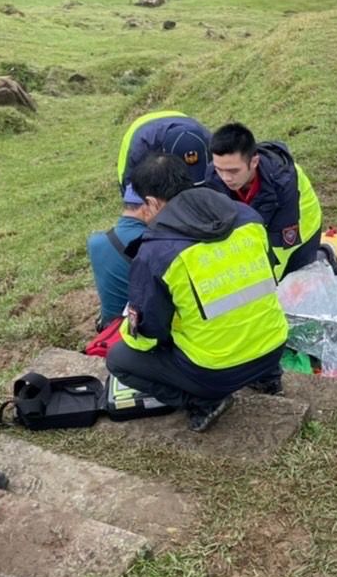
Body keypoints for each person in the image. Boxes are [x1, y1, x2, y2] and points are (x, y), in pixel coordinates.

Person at [107, 154, 289, 432]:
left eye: (142, 206)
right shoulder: (247, 217)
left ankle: (202, 403)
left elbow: (146, 334)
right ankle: (268, 379)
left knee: (119, 360)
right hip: (274, 347)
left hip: (215, 371)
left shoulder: (157, 253)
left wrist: (127, 330)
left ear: (152, 203)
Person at [207, 122, 324, 280]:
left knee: (292, 282)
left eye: (233, 171)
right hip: (260, 223)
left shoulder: (283, 180)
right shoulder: (212, 176)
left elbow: (279, 248)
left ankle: (325, 256)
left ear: (254, 162)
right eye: (219, 169)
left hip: (299, 226)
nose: (225, 178)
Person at [118, 110, 211, 203]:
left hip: (179, 118)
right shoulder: (140, 148)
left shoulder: (207, 139)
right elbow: (131, 192)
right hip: (141, 135)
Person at [87, 202, 149, 327]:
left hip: (109, 331)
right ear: (149, 205)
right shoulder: (154, 241)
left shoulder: (94, 242)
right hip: (142, 332)